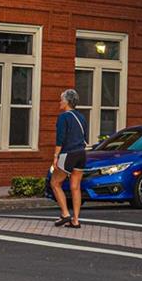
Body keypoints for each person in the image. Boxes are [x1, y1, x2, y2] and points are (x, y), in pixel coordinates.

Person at [50, 88, 87, 228]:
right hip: (81, 153)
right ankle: (76, 220)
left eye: (61, 99)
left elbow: (60, 139)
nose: (60, 102)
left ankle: (65, 214)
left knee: (55, 183)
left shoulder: (63, 117)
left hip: (68, 153)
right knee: (75, 187)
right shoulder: (81, 117)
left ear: (66, 102)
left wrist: (55, 156)